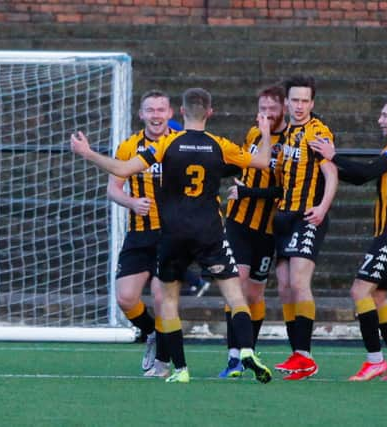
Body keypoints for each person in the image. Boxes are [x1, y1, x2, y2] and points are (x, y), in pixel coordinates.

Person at [70, 87, 273, 384]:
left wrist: (88, 153)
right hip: (208, 232)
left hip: (173, 231)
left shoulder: (167, 144)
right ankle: (244, 348)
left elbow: (125, 168)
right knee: (234, 296)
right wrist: (265, 133)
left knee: (166, 299)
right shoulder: (219, 145)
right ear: (211, 113)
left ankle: (179, 368)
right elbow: (263, 162)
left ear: (178, 112)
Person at [309, 100, 387, 382]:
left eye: (385, 115)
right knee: (378, 296)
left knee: (360, 291)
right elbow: (360, 178)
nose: (380, 120)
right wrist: (328, 163)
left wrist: (333, 156)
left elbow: (370, 170)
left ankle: (374, 360)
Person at [218, 84, 287, 378]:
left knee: (256, 294)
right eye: (263, 109)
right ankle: (234, 356)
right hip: (238, 221)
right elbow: (244, 168)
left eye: (272, 109)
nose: (267, 114)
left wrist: (249, 192)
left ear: (283, 108)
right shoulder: (252, 133)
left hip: (268, 227)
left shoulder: (292, 141)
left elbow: (284, 189)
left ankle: (249, 351)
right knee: (237, 283)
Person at [272, 75, 338, 380]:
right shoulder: (285, 134)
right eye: (294, 100)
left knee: (299, 282)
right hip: (283, 216)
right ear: (286, 102)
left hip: (307, 215)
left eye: (304, 101)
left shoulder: (317, 131)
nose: (299, 106)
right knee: (284, 286)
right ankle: (297, 352)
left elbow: (331, 172)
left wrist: (322, 208)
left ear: (312, 103)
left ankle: (305, 354)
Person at [106, 89, 174, 373]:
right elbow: (113, 190)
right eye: (151, 110)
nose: (156, 115)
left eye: (161, 110)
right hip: (139, 233)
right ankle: (152, 335)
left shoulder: (180, 144)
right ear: (141, 114)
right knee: (125, 298)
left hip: (171, 234)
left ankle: (163, 360)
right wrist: (132, 202)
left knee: (161, 297)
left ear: (170, 113)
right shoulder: (128, 147)